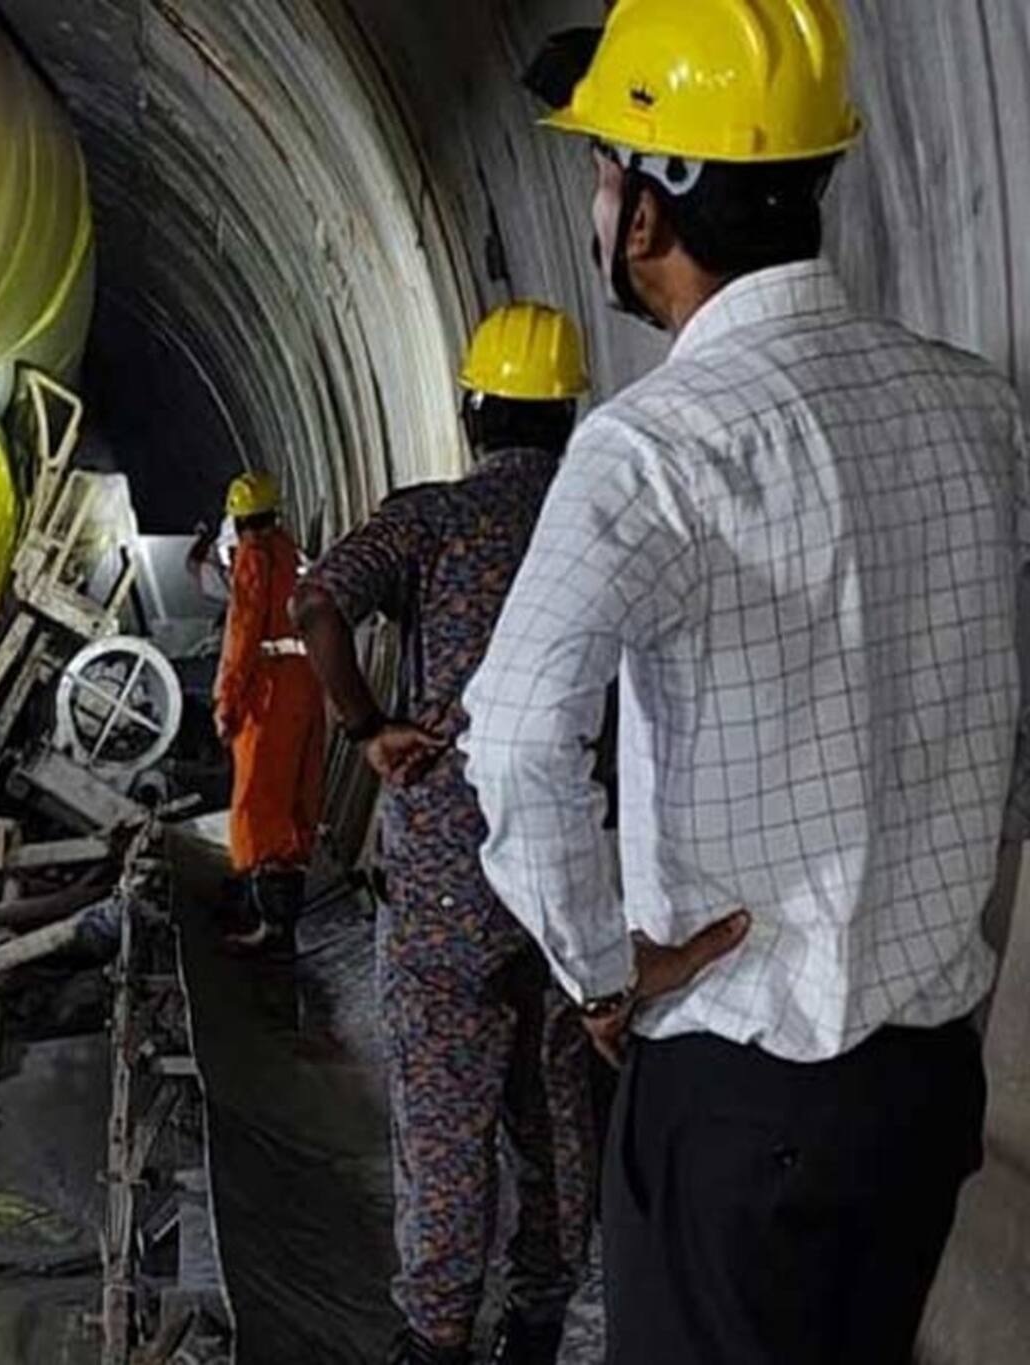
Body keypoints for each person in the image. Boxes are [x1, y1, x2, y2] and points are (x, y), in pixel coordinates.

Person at [461, 3, 1026, 1362]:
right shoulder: (980, 413)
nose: (596, 207)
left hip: (740, 1093)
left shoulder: (653, 450)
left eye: (603, 173)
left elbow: (521, 737)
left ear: (652, 213)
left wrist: (600, 970)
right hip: (926, 1079)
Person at [294, 302, 597, 1365]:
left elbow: (319, 599)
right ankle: (538, 1320)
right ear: (568, 416)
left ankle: (433, 1335)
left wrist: (369, 729)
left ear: (471, 410)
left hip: (444, 879)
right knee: (554, 1105)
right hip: (571, 872)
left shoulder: (428, 521)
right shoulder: (599, 517)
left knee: (441, 1116)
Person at [214, 470, 326, 950]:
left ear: (239, 522)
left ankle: (269, 923)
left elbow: (241, 635)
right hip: (307, 680)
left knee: (257, 801)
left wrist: (227, 702)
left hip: (270, 688)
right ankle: (287, 914)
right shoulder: (293, 553)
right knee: (297, 797)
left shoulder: (254, 559)